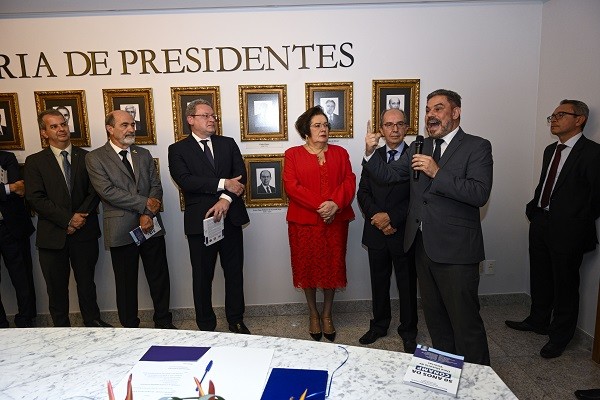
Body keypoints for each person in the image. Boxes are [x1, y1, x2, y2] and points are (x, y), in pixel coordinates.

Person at [364, 89, 493, 365]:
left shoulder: (477, 146)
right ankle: (447, 371)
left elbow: (479, 193)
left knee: (465, 321)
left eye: (438, 109)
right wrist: (370, 152)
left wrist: (438, 172)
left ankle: (479, 380)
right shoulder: (420, 146)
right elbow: (389, 174)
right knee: (436, 318)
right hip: (422, 247)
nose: (430, 115)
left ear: (455, 112)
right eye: (427, 110)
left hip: (457, 251)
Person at [505, 100, 600, 359]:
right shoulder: (551, 150)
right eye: (552, 115)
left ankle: (559, 337)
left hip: (570, 230)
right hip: (542, 222)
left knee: (565, 284)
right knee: (541, 275)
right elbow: (547, 183)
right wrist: (534, 209)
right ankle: (538, 320)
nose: (554, 119)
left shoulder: (592, 153)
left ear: (579, 119)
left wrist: (575, 219)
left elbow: (596, 197)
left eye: (560, 114)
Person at [86, 110, 175, 329]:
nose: (131, 129)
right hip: (120, 228)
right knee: (125, 283)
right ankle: (130, 327)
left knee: (159, 277)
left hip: (151, 225)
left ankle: (163, 323)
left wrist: (148, 214)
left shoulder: (143, 154)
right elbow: (107, 191)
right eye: (124, 125)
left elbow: (156, 185)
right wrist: (145, 205)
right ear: (110, 128)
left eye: (133, 124)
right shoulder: (95, 157)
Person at [168, 99, 250, 334]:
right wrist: (224, 184)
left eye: (213, 115)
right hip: (200, 222)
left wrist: (225, 200)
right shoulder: (178, 150)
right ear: (190, 120)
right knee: (202, 276)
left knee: (234, 273)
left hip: (231, 218)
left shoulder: (227, 143)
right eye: (205, 115)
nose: (212, 119)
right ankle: (206, 325)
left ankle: (236, 319)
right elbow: (186, 181)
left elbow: (240, 175)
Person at [25, 110, 110, 328]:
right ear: (44, 133)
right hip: (52, 236)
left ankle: (93, 323)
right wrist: (68, 219)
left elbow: (95, 191)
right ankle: (61, 330)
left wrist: (79, 218)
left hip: (85, 233)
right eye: (53, 126)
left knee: (86, 283)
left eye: (63, 124)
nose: (61, 129)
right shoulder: (34, 162)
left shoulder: (87, 157)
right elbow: (35, 198)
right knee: (56, 287)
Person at [283, 106, 356, 342]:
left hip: (335, 221)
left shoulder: (341, 152)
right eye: (317, 125)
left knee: (332, 267)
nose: (323, 129)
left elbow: (349, 181)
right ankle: (313, 314)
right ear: (306, 130)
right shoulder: (293, 154)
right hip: (304, 223)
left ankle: (327, 314)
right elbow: (292, 186)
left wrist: (335, 204)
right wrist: (322, 205)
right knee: (308, 267)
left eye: (325, 125)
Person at [357, 108, 417, 352]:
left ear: (406, 128)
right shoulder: (373, 155)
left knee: (407, 285)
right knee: (378, 282)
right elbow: (363, 192)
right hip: (376, 231)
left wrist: (391, 218)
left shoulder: (416, 156)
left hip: (403, 231)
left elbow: (417, 197)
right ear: (381, 130)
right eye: (389, 125)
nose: (394, 129)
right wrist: (377, 218)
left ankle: (409, 330)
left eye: (399, 124)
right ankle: (379, 325)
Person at [0, 150, 36, 328]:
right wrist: (7, 188)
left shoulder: (7, 158)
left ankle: (26, 321)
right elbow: (12, 188)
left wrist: (12, 188)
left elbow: (19, 188)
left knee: (22, 277)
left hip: (11, 228)